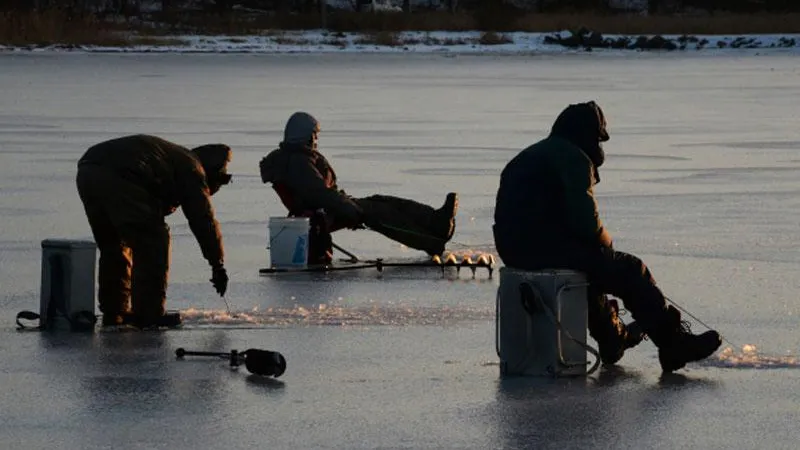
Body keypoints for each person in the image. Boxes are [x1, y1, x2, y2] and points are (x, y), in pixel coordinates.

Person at [493, 101, 722, 373]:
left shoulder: (530, 154)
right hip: (544, 248)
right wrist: (607, 249)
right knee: (629, 269)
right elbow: (587, 222)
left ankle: (612, 338)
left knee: (588, 266)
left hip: (513, 249)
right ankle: (672, 343)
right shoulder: (574, 157)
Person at [76, 134, 231, 329]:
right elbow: (203, 219)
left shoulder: (177, 157)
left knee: (114, 245)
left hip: (88, 170)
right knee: (154, 240)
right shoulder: (193, 169)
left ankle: (115, 311)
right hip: (122, 174)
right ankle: (150, 313)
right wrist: (217, 264)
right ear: (212, 174)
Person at [259, 112, 458, 261]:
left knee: (382, 200)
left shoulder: (299, 158)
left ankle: (436, 221)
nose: (316, 140)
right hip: (323, 212)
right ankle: (432, 242)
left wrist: (346, 202)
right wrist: (351, 210)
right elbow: (320, 194)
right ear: (305, 136)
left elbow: (323, 192)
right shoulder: (298, 163)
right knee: (381, 212)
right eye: (314, 135)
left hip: (329, 206)